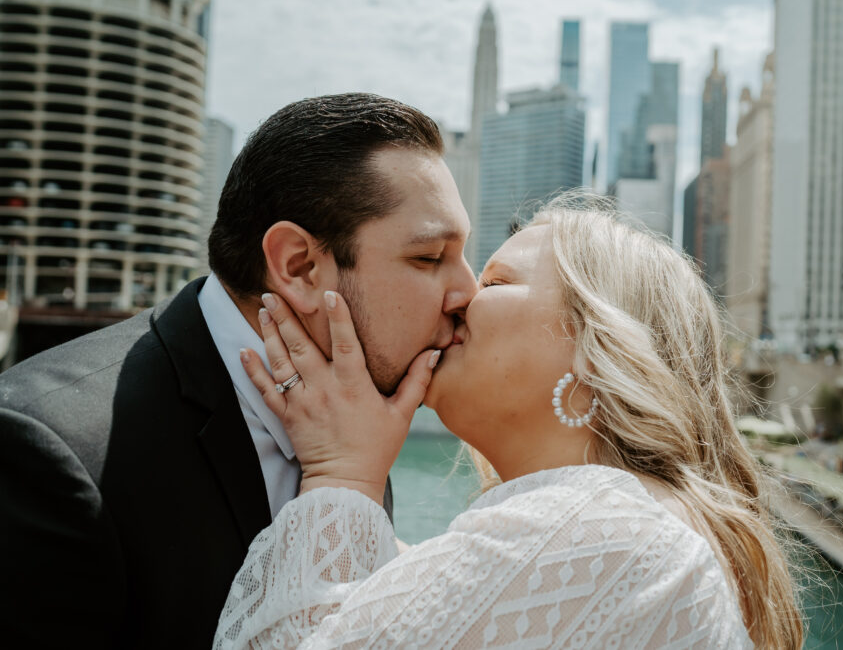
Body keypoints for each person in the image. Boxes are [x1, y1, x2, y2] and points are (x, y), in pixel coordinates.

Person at [215, 197, 805, 649]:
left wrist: (340, 474)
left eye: (496, 282)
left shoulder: (598, 529)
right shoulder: (623, 529)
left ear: (595, 346)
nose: (461, 295)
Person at [0, 93, 476, 648]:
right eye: (428, 258)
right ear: (299, 266)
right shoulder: (48, 451)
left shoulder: (356, 411)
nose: (467, 291)